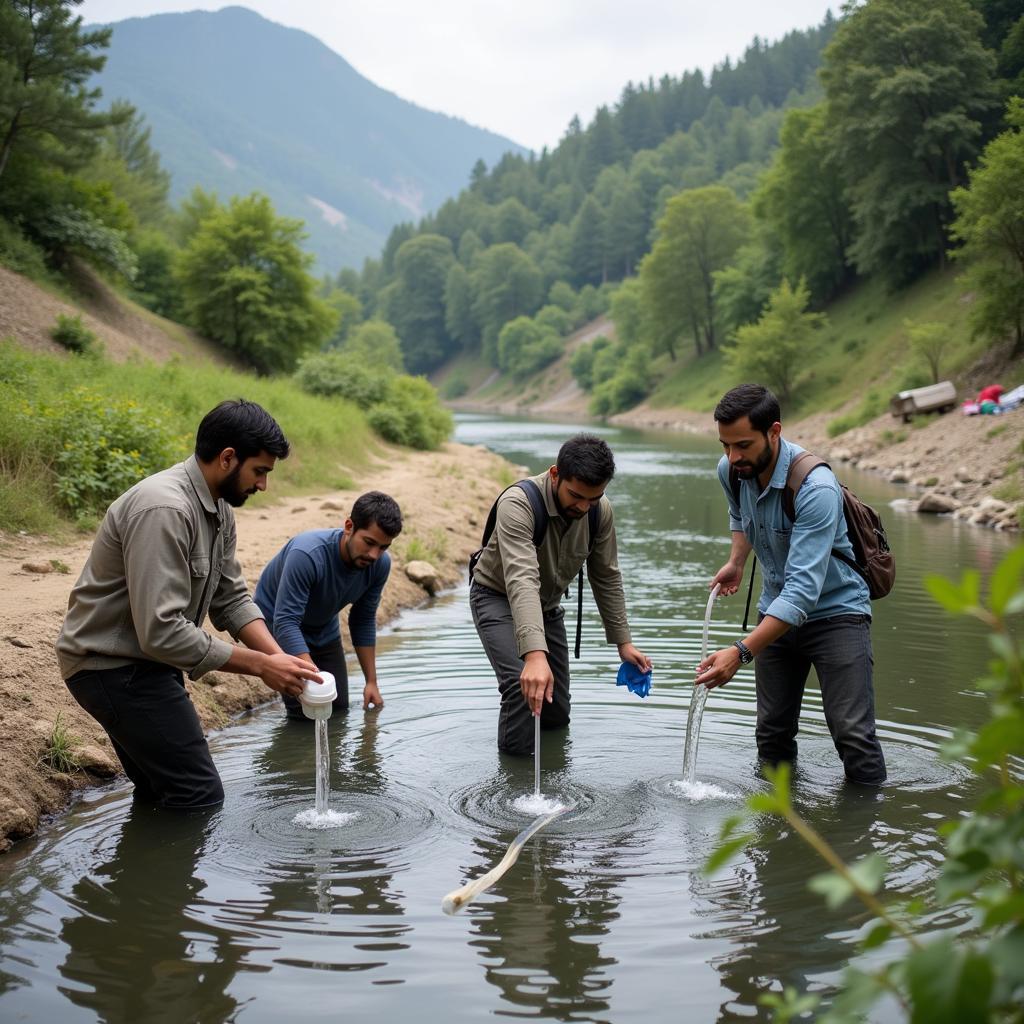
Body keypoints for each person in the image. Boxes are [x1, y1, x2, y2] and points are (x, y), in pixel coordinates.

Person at [56, 399, 322, 809]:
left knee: (162, 790)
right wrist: (260, 666)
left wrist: (282, 660)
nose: (263, 485)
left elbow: (231, 598)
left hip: (146, 664)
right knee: (197, 793)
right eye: (261, 471)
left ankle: (144, 870)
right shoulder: (164, 508)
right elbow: (161, 631)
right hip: (110, 668)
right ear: (228, 458)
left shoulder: (218, 508)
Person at [695, 384, 886, 786]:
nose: (733, 457)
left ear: (774, 431)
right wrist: (737, 561)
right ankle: (779, 829)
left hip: (837, 615)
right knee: (772, 735)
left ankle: (863, 829)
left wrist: (741, 652)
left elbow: (802, 594)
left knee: (853, 734)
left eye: (743, 445)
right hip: (775, 611)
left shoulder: (816, 488)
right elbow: (739, 513)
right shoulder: (731, 470)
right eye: (725, 445)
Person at [470, 433, 650, 755]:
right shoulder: (518, 503)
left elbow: (606, 576)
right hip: (497, 596)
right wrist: (535, 656)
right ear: (555, 474)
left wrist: (624, 642)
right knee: (521, 686)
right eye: (576, 495)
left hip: (548, 606)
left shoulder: (599, 511)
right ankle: (515, 784)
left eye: (593, 498)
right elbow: (521, 579)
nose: (583, 507)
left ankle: (553, 772)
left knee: (556, 709)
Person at [253, 491, 402, 719]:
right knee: (307, 713)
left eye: (383, 547)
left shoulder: (380, 565)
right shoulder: (307, 554)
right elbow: (286, 621)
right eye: (369, 542)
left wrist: (371, 682)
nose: (374, 555)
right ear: (349, 526)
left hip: (323, 628)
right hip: (275, 625)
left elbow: (362, 619)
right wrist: (315, 678)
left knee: (338, 708)